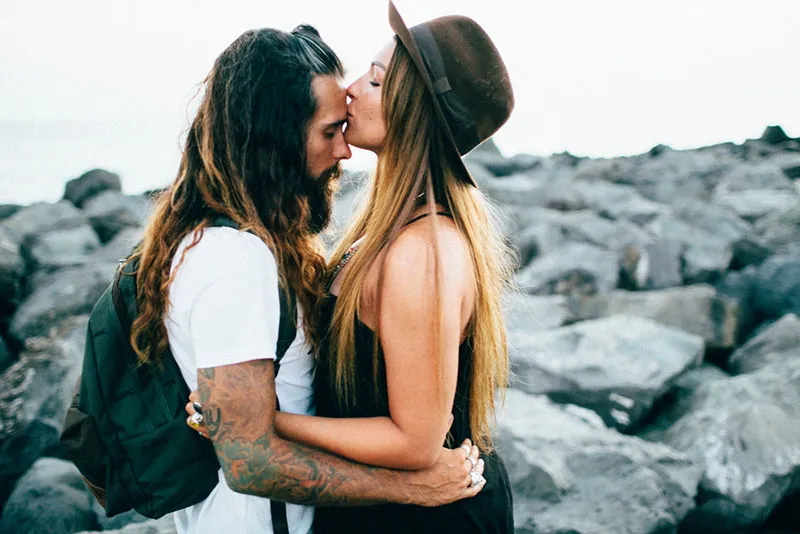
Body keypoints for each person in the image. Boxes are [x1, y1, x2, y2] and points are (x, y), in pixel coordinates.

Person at [131, 24, 484, 534]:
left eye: (378, 81)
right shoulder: (375, 232)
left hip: (428, 513)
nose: (354, 89)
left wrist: (256, 418)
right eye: (368, 73)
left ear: (416, 115)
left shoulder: (420, 252)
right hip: (379, 508)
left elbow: (418, 443)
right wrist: (243, 414)